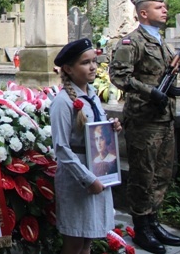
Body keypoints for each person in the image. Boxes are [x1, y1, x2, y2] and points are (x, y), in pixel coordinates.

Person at [109, 0, 180, 254]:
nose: (164, 10)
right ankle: (141, 227)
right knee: (143, 175)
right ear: (143, 13)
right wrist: (150, 91)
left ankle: (154, 221)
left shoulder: (161, 41)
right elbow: (119, 77)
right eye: (158, 7)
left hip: (164, 118)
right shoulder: (131, 42)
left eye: (163, 7)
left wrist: (170, 88)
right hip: (144, 119)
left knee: (162, 174)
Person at [50, 38, 122, 254]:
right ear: (69, 69)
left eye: (94, 61)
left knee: (88, 238)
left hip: (99, 171)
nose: (93, 67)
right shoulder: (63, 102)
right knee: (74, 241)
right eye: (85, 62)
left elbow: (95, 129)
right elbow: (61, 148)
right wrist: (88, 179)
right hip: (78, 177)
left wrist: (112, 127)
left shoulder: (92, 95)